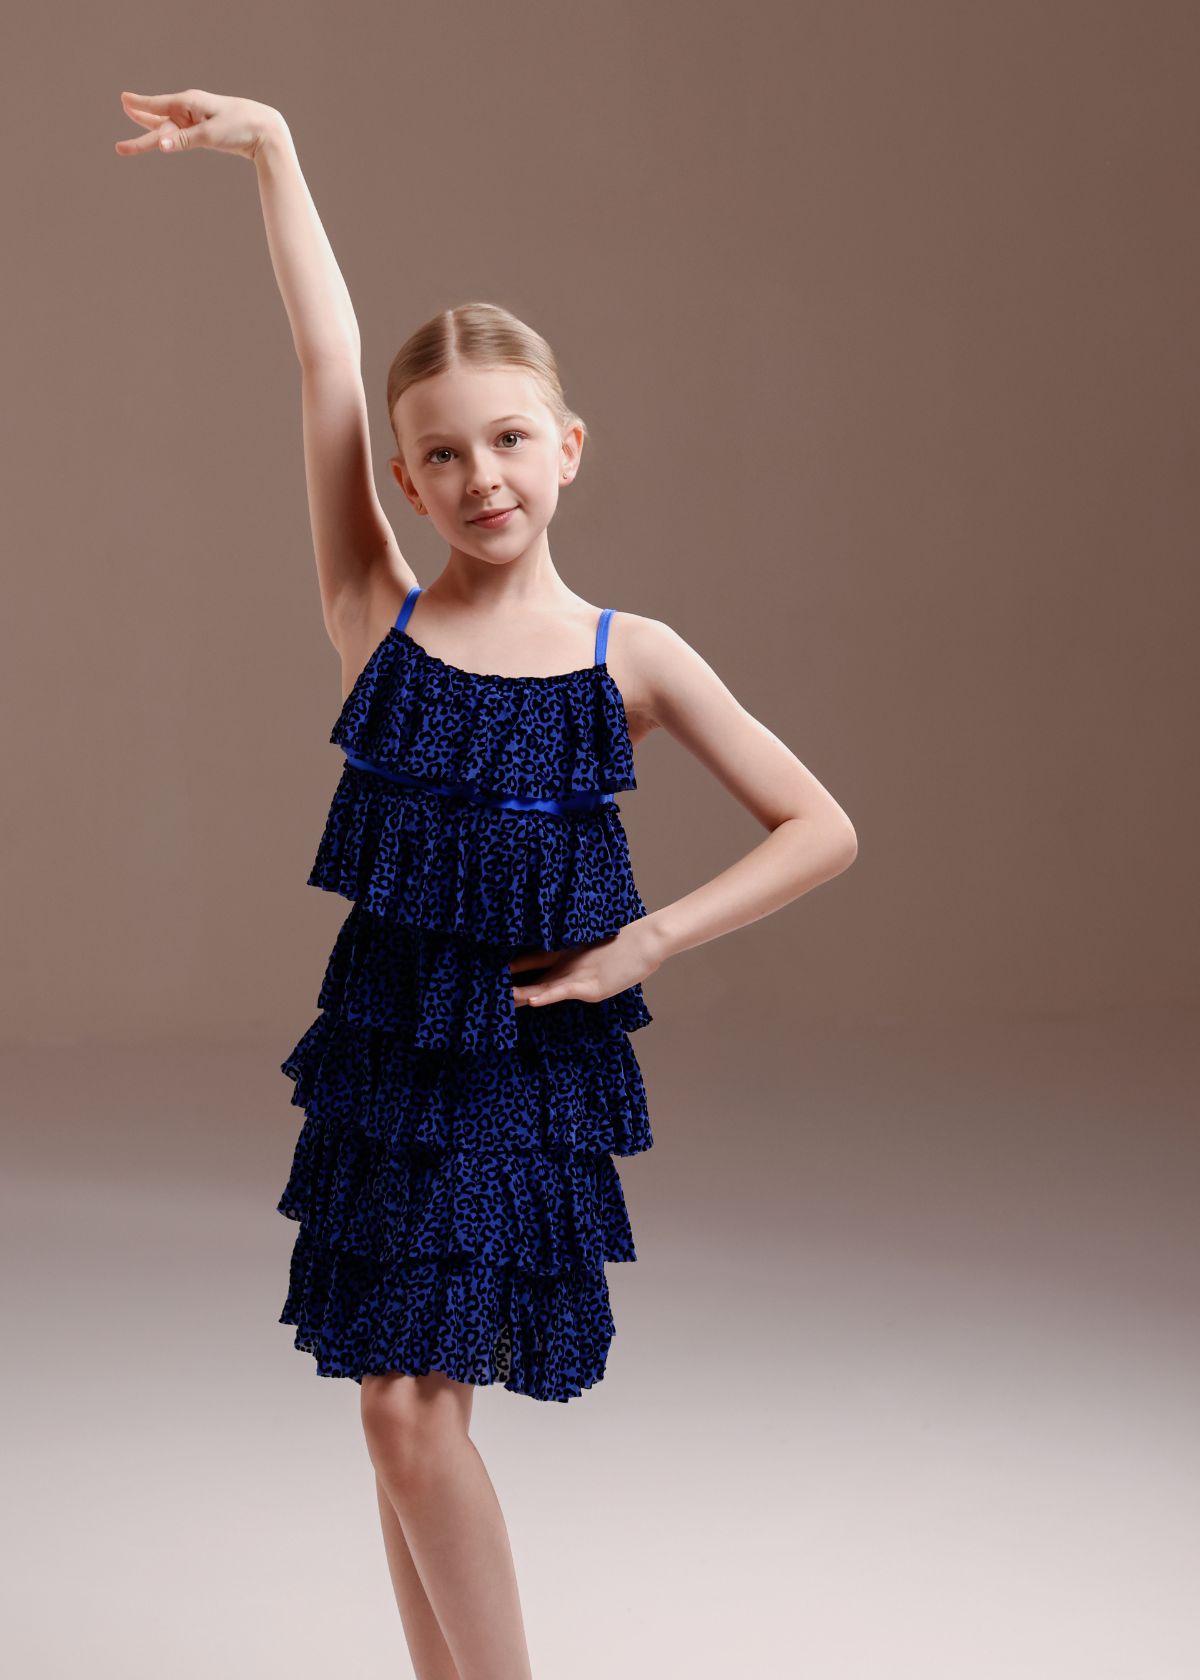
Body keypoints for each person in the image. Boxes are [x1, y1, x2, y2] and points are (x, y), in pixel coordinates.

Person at [116, 87, 858, 1680]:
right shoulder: (373, 612)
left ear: (567, 448)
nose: (481, 476)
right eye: (441, 454)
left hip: (523, 1064)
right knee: (393, 1414)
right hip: (389, 1059)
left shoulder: (631, 656)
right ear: (405, 476)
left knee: (406, 1410)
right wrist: (274, 152)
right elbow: (325, 359)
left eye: (510, 439)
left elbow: (820, 827)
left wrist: (646, 942)